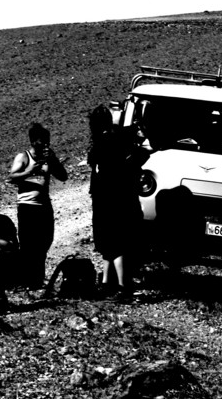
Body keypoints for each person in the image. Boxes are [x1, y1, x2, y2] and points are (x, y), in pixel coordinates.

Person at [87, 104, 150, 300]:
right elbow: (141, 154)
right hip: (121, 196)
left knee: (109, 241)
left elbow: (95, 165)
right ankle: (115, 284)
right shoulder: (121, 138)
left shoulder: (100, 143)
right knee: (116, 241)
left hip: (104, 198)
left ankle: (115, 284)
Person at [8, 122, 68, 290]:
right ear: (34, 141)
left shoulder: (48, 157)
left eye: (47, 141)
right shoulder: (24, 157)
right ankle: (27, 280)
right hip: (27, 206)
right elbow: (11, 177)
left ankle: (37, 278)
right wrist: (29, 171)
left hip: (44, 205)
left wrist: (53, 160)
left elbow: (63, 176)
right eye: (42, 141)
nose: (46, 144)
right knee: (28, 243)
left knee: (45, 240)